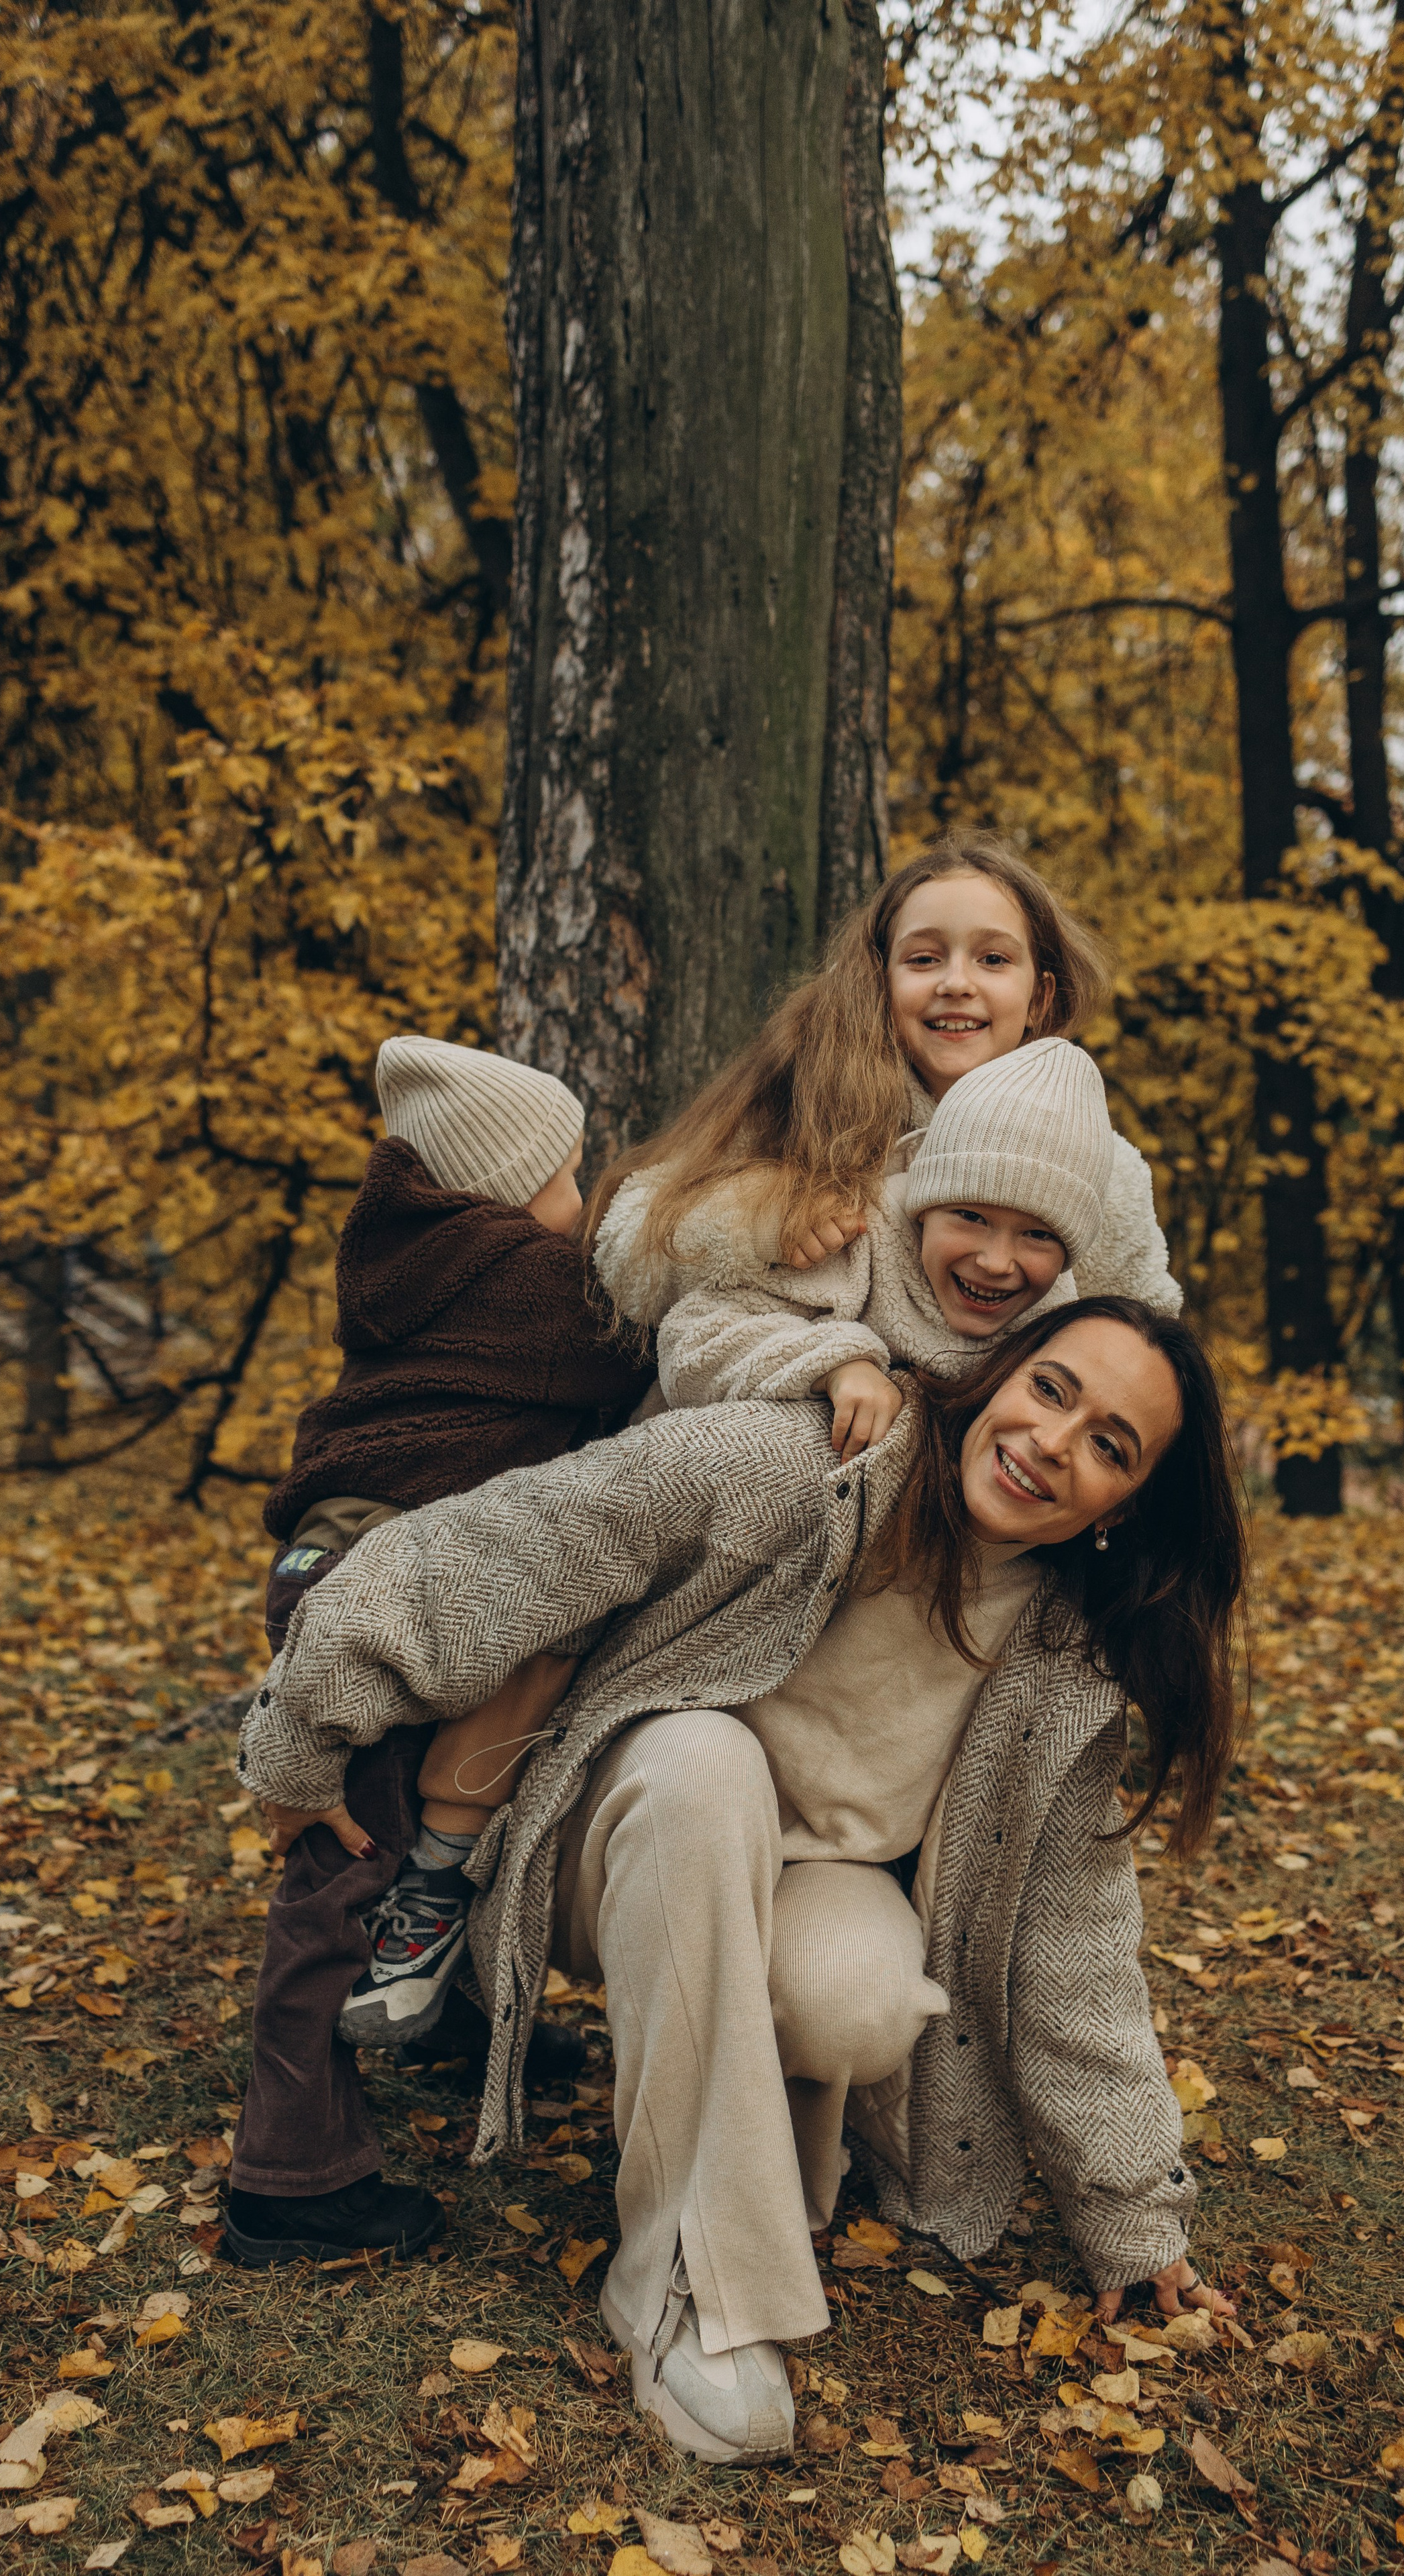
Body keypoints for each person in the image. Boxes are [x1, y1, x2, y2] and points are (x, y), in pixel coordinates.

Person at [237, 1295, 1246, 2458]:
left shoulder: (1066, 1661)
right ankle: (682, 2292)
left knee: (865, 1993)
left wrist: (1133, 2219)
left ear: (1129, 1506)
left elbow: (1075, 1946)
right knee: (706, 1763)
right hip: (610, 1835)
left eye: (1111, 1445)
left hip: (803, 1876)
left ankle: (766, 2176)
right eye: (1052, 1389)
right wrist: (303, 1724)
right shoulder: (798, 1468)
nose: (1055, 1442)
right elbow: (498, 1551)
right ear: (998, 1376)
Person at [223, 1035, 651, 2269]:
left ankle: (450, 2024)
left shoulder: (414, 1261)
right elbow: (635, 1346)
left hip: (344, 1556)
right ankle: (291, 2174)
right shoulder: (522, 1276)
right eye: (569, 1177)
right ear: (508, 1191)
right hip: (372, 1584)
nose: (582, 1202)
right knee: (345, 1861)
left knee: (424, 1812)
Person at [586, 830, 1180, 1336]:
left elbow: (1143, 1337)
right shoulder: (807, 1102)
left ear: (1039, 997)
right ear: (880, 982)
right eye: (923, 959)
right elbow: (625, 1248)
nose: (956, 982)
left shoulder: (1101, 1169)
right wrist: (767, 1216)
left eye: (993, 960)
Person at [655, 1036, 1120, 1460]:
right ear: (924, 1206)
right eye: (971, 1217)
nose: (995, 1262)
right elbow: (692, 1340)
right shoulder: (865, 1239)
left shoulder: (1056, 1323)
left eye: (1038, 1235)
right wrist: (837, 1364)